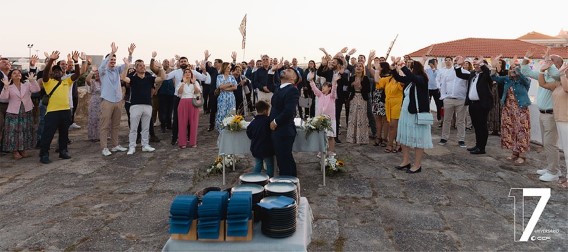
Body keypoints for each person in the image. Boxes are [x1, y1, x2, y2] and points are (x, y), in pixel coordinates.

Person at [521, 49, 562, 182]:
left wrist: (548, 65)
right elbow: (526, 71)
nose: (547, 62)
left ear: (558, 65)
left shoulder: (559, 77)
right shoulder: (544, 74)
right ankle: (553, 167)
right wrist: (526, 58)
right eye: (547, 60)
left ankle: (554, 172)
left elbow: (556, 73)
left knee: (551, 144)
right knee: (547, 143)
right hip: (542, 113)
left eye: (551, 61)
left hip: (551, 114)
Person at [39, 51, 81, 164]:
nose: (57, 72)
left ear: (63, 73)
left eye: (59, 70)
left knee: (64, 133)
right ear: (52, 73)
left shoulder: (66, 81)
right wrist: (51, 60)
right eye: (55, 71)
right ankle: (44, 154)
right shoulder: (48, 82)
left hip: (65, 111)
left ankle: (63, 151)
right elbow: (45, 73)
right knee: (48, 134)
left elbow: (77, 75)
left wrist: (76, 62)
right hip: (52, 112)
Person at [392, 58, 432, 173]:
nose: (408, 69)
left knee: (418, 139)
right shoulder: (410, 80)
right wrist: (395, 68)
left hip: (416, 114)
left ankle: (417, 165)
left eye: (410, 67)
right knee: (404, 138)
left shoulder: (422, 79)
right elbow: (399, 78)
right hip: (406, 113)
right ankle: (406, 161)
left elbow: (413, 77)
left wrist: (403, 66)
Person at [121, 57, 165, 155]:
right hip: (135, 106)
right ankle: (132, 146)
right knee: (134, 128)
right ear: (136, 68)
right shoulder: (132, 77)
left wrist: (161, 68)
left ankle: (145, 145)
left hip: (148, 105)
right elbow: (123, 78)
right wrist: (126, 67)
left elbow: (162, 78)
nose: (142, 67)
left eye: (143, 65)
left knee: (145, 128)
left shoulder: (149, 77)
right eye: (140, 66)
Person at [491, 57, 531, 164]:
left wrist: (516, 68)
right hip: (508, 110)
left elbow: (523, 79)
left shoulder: (524, 81)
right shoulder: (507, 79)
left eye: (515, 70)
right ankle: (514, 152)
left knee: (521, 131)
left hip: (521, 110)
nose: (512, 71)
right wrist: (493, 66)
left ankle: (522, 155)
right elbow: (494, 77)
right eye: (511, 69)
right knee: (511, 130)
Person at [99, 42, 134, 156]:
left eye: (114, 60)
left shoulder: (117, 70)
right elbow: (102, 66)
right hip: (107, 101)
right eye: (111, 60)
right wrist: (112, 52)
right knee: (105, 126)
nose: (113, 61)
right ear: (107, 61)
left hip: (118, 101)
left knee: (116, 125)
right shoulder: (103, 71)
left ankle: (115, 145)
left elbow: (126, 65)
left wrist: (130, 54)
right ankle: (104, 147)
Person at [455, 56, 493, 154]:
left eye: (478, 65)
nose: (475, 66)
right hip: (473, 104)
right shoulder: (472, 74)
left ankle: (482, 148)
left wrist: (481, 64)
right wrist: (458, 65)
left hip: (482, 105)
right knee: (476, 126)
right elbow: (459, 74)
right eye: (475, 64)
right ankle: (477, 145)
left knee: (482, 126)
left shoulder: (486, 75)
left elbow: (487, 72)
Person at [538, 62, 568, 186]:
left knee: (567, 150)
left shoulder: (564, 83)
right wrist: (541, 71)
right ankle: (560, 172)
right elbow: (542, 83)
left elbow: (567, 89)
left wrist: (562, 73)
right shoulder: (558, 84)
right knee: (565, 150)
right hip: (559, 119)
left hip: (566, 120)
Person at [0, 70, 40, 159]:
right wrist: (5, 87)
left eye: (19, 73)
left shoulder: (26, 84)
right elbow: (3, 98)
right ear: (11, 76)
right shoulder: (9, 86)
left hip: (26, 110)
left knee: (25, 130)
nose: (17, 74)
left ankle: (23, 150)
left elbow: (36, 89)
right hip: (13, 112)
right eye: (14, 73)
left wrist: (32, 80)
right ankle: (15, 151)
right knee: (13, 132)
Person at [269, 68, 300, 176]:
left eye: (289, 71)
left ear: (293, 78)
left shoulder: (292, 90)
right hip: (277, 131)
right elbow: (269, 86)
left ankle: (289, 184)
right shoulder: (279, 87)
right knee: (282, 159)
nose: (285, 70)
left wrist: (275, 122)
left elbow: (289, 111)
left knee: (285, 159)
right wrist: (271, 71)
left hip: (284, 130)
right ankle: (286, 183)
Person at [437, 56, 469, 148]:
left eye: (458, 61)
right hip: (448, 99)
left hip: (461, 100)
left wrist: (466, 99)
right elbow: (443, 85)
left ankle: (461, 139)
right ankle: (444, 138)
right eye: (455, 61)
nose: (456, 63)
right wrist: (443, 97)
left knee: (461, 121)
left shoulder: (466, 73)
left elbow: (468, 86)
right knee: (446, 120)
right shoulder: (448, 73)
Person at [375, 62, 404, 153]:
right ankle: (398, 144)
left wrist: (400, 70)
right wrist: (377, 70)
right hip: (388, 104)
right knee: (394, 125)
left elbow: (403, 82)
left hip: (397, 103)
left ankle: (390, 144)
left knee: (392, 125)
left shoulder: (400, 80)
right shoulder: (388, 79)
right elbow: (377, 81)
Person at [308, 71, 337, 155]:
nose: (322, 88)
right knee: (321, 136)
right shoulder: (320, 95)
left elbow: (334, 90)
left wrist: (334, 82)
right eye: (323, 86)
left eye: (325, 86)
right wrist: (311, 81)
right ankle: (321, 150)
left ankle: (331, 151)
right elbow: (314, 89)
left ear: (329, 88)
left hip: (330, 119)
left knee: (331, 136)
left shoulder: (332, 96)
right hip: (320, 119)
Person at [246, 100, 275, 177]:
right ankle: (268, 180)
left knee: (258, 164)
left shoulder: (253, 122)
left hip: (256, 147)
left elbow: (249, 133)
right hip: (267, 148)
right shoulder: (268, 121)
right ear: (266, 111)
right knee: (269, 165)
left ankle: (255, 179)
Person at [346, 62, 370, 145]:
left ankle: (361, 138)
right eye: (357, 66)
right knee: (353, 118)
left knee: (361, 117)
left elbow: (368, 90)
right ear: (355, 68)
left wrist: (361, 87)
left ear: (363, 69)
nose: (358, 67)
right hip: (353, 98)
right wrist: (352, 85)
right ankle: (352, 138)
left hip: (362, 98)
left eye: (360, 66)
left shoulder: (365, 78)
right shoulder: (352, 78)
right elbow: (348, 89)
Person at [177, 68, 201, 149]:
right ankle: (182, 142)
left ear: (191, 74)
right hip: (183, 102)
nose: (187, 74)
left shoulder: (195, 82)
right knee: (182, 123)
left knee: (194, 123)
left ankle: (193, 142)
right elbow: (179, 93)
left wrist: (194, 83)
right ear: (183, 75)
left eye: (189, 72)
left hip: (193, 102)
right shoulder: (180, 83)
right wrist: (183, 83)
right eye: (185, 72)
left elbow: (197, 92)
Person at [215, 62, 238, 131]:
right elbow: (220, 86)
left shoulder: (232, 77)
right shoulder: (219, 77)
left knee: (231, 112)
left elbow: (235, 87)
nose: (229, 68)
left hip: (231, 97)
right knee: (222, 112)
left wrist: (225, 87)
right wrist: (229, 85)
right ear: (224, 67)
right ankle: (221, 129)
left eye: (229, 67)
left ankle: (230, 127)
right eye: (228, 67)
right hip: (222, 98)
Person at [488, 59, 508, 135]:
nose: (498, 64)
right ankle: (493, 129)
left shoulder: (505, 72)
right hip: (492, 94)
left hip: (500, 94)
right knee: (493, 111)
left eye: (500, 63)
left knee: (500, 111)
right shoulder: (492, 72)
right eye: (497, 63)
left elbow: (501, 74)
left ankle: (501, 129)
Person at [85, 66, 102, 142]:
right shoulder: (93, 82)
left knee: (102, 119)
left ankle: (103, 135)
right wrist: (92, 71)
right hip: (95, 102)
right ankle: (94, 136)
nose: (97, 76)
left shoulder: (105, 83)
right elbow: (87, 80)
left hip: (103, 102)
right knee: (94, 118)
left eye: (99, 74)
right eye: (96, 74)